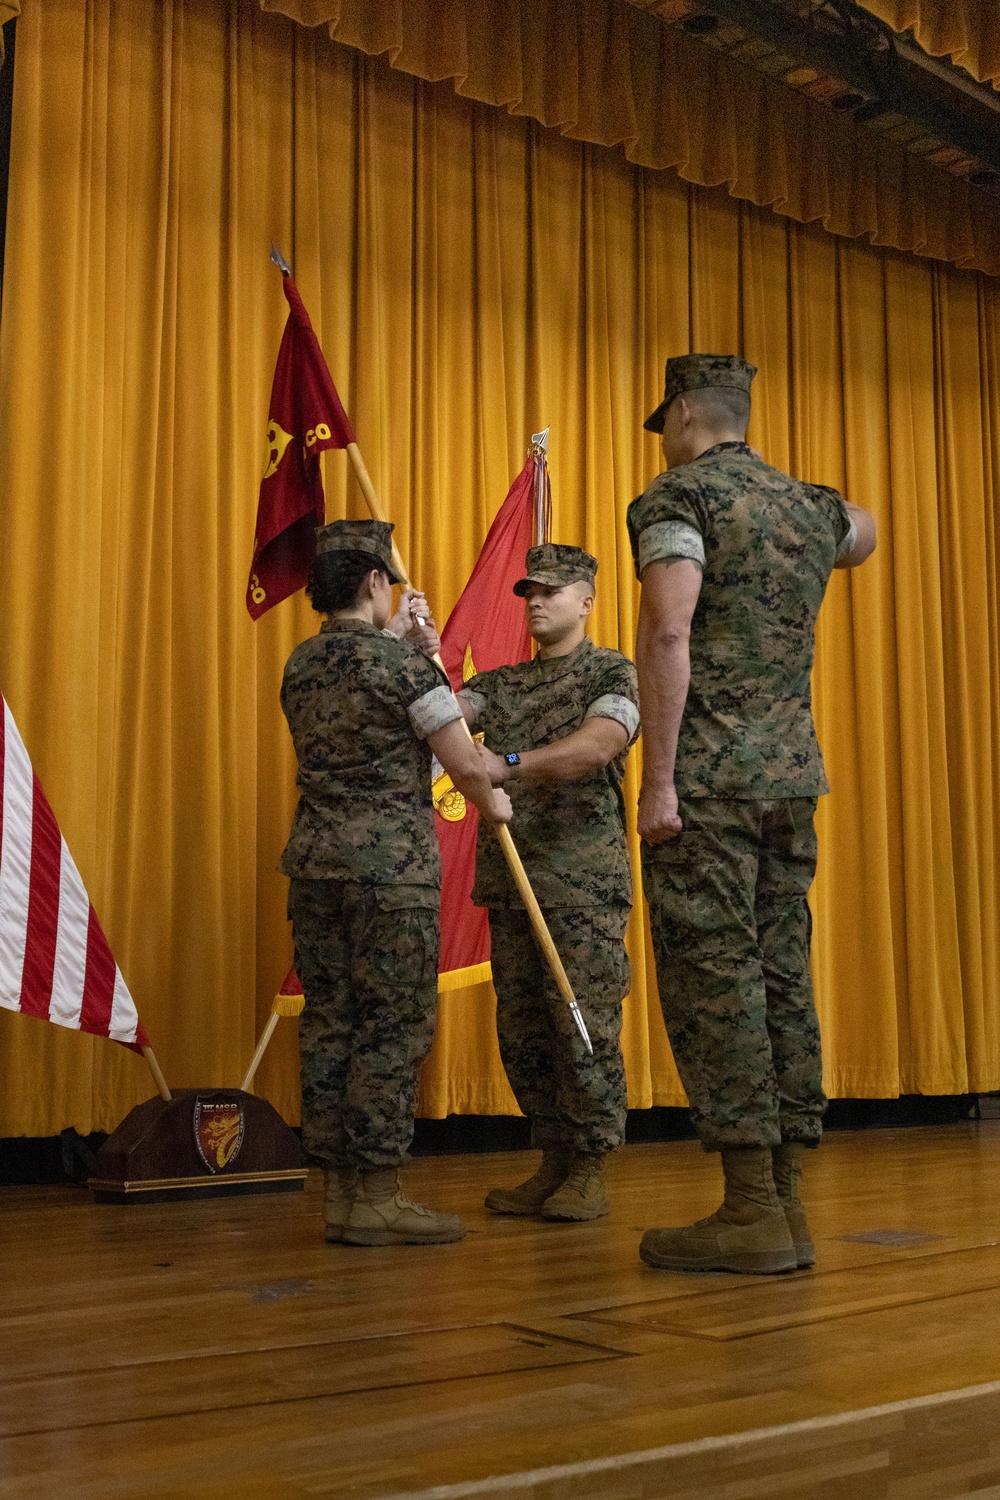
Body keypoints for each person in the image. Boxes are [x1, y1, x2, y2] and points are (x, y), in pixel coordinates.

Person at [628, 353, 876, 1274]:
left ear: (686, 411)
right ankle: (788, 1204)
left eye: (668, 421)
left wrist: (660, 782)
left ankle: (750, 1209)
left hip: (712, 782)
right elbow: (866, 531)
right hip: (791, 778)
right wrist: (824, 520)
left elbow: (666, 631)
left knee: (715, 973)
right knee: (781, 970)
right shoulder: (808, 504)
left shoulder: (678, 500)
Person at [280, 518, 512, 1248]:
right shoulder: (404, 672)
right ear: (376, 581)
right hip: (391, 877)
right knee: (391, 1026)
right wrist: (495, 800)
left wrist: (407, 650)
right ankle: (378, 1194)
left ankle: (341, 1193)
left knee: (331, 1023)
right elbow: (464, 763)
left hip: (316, 867)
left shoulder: (300, 663)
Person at [458, 544, 640, 1222]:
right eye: (529, 590)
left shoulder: (610, 670)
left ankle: (590, 1165)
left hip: (581, 885)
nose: (536, 601)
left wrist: (506, 761)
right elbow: (445, 715)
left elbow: (598, 746)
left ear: (587, 599)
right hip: (512, 883)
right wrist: (415, 647)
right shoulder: (500, 684)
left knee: (581, 1023)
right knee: (525, 1029)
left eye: (553, 591)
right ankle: (554, 1159)